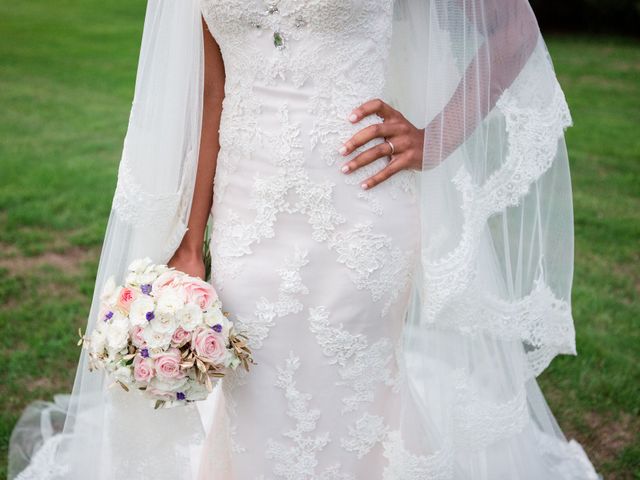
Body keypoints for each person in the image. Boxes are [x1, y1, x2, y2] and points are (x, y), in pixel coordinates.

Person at [8, 0, 602, 478]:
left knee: (354, 395)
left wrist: (438, 136)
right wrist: (191, 243)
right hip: (246, 216)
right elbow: (212, 94)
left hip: (361, 211)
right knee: (255, 391)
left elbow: (512, 28)